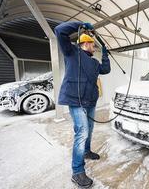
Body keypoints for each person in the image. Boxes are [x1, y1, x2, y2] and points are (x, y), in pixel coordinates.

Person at [54, 21, 111, 188]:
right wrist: (80, 24)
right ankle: (77, 172)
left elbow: (106, 70)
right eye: (93, 44)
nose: (94, 47)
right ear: (86, 43)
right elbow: (59, 30)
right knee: (82, 131)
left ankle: (86, 151)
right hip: (76, 100)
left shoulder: (94, 63)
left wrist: (105, 54)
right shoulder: (71, 51)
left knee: (90, 129)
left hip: (90, 100)